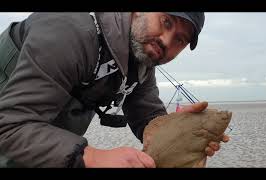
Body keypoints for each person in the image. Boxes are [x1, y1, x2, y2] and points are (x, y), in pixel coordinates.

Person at [0, 12, 229, 168]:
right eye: (166, 22)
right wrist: (94, 157)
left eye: (180, 40)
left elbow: (147, 115)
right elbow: (9, 126)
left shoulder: (141, 60)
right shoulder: (69, 33)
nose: (167, 41)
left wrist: (178, 131)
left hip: (43, 135)